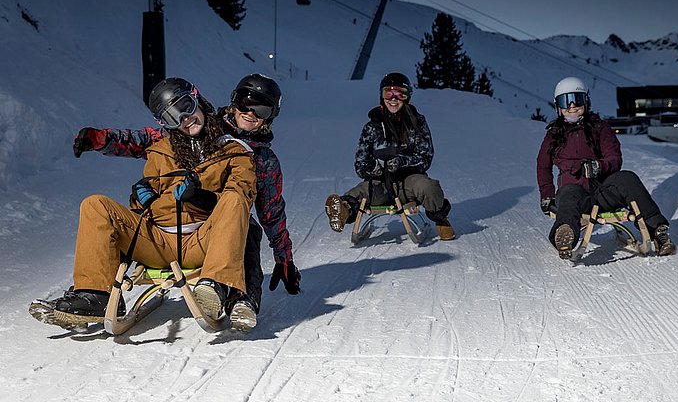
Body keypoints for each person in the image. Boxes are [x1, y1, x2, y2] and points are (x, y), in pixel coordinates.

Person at [71, 73, 301, 331]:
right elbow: (147, 140)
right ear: (234, 101)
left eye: (261, 109)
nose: (250, 113)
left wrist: (284, 257)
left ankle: (239, 296)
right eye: (246, 103)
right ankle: (96, 289)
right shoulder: (198, 121)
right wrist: (103, 139)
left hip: (218, 223)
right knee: (109, 209)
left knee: (246, 224)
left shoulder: (263, 160)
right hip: (172, 228)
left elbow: (271, 213)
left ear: (270, 116)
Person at [36, 77, 256, 329]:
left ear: (197, 99)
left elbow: (243, 197)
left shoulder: (235, 152)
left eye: (186, 106)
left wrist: (202, 198)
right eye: (173, 117)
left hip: (204, 242)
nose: (185, 118)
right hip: (158, 243)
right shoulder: (160, 151)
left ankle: (215, 287)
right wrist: (141, 198)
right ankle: (95, 295)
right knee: (95, 205)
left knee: (234, 198)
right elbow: (141, 211)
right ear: (166, 124)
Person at [536, 76, 676, 259]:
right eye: (565, 101)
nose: (571, 106)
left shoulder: (599, 128)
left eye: (576, 100)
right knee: (569, 197)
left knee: (627, 178)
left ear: (586, 101)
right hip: (574, 193)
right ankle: (565, 236)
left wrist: (598, 166)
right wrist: (547, 195)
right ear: (558, 106)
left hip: (603, 192)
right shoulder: (554, 135)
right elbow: (543, 166)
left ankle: (658, 233)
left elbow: (615, 157)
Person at [324, 72, 455, 241]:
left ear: (407, 97)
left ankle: (441, 219)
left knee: (428, 187)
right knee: (362, 191)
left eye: (400, 94)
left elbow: (425, 157)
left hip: (410, 181)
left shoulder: (417, 122)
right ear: (382, 95)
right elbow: (360, 164)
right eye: (389, 93)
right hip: (381, 183)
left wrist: (402, 161)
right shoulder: (372, 127)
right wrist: (375, 169)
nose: (393, 99)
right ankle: (343, 209)